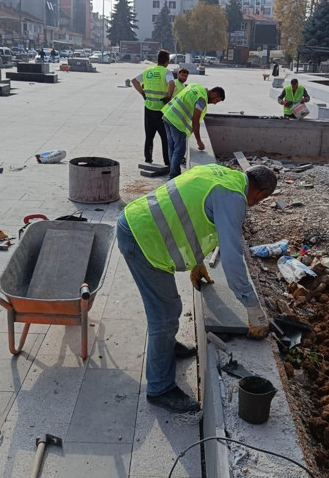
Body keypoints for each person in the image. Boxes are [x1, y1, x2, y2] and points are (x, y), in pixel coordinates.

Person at [117, 163, 277, 413]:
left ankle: (167, 347)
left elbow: (189, 218)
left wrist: (197, 261)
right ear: (261, 193)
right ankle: (160, 389)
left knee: (170, 308)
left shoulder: (219, 174)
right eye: (260, 200)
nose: (255, 205)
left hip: (140, 224)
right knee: (164, 316)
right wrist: (253, 308)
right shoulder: (233, 198)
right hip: (143, 240)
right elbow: (232, 259)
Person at [162, 83, 225, 179]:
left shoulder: (196, 87)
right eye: (217, 100)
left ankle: (173, 172)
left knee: (172, 147)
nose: (215, 103)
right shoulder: (202, 100)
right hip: (177, 123)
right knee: (179, 150)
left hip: (168, 115)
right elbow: (196, 121)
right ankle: (174, 176)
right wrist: (199, 141)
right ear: (214, 94)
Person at [132, 50, 175, 166]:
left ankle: (148, 159)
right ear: (167, 61)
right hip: (161, 110)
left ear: (157, 60)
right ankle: (167, 161)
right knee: (165, 137)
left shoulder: (148, 71)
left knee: (149, 136)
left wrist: (143, 93)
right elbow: (171, 83)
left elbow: (134, 81)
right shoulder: (166, 72)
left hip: (148, 108)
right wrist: (169, 96)